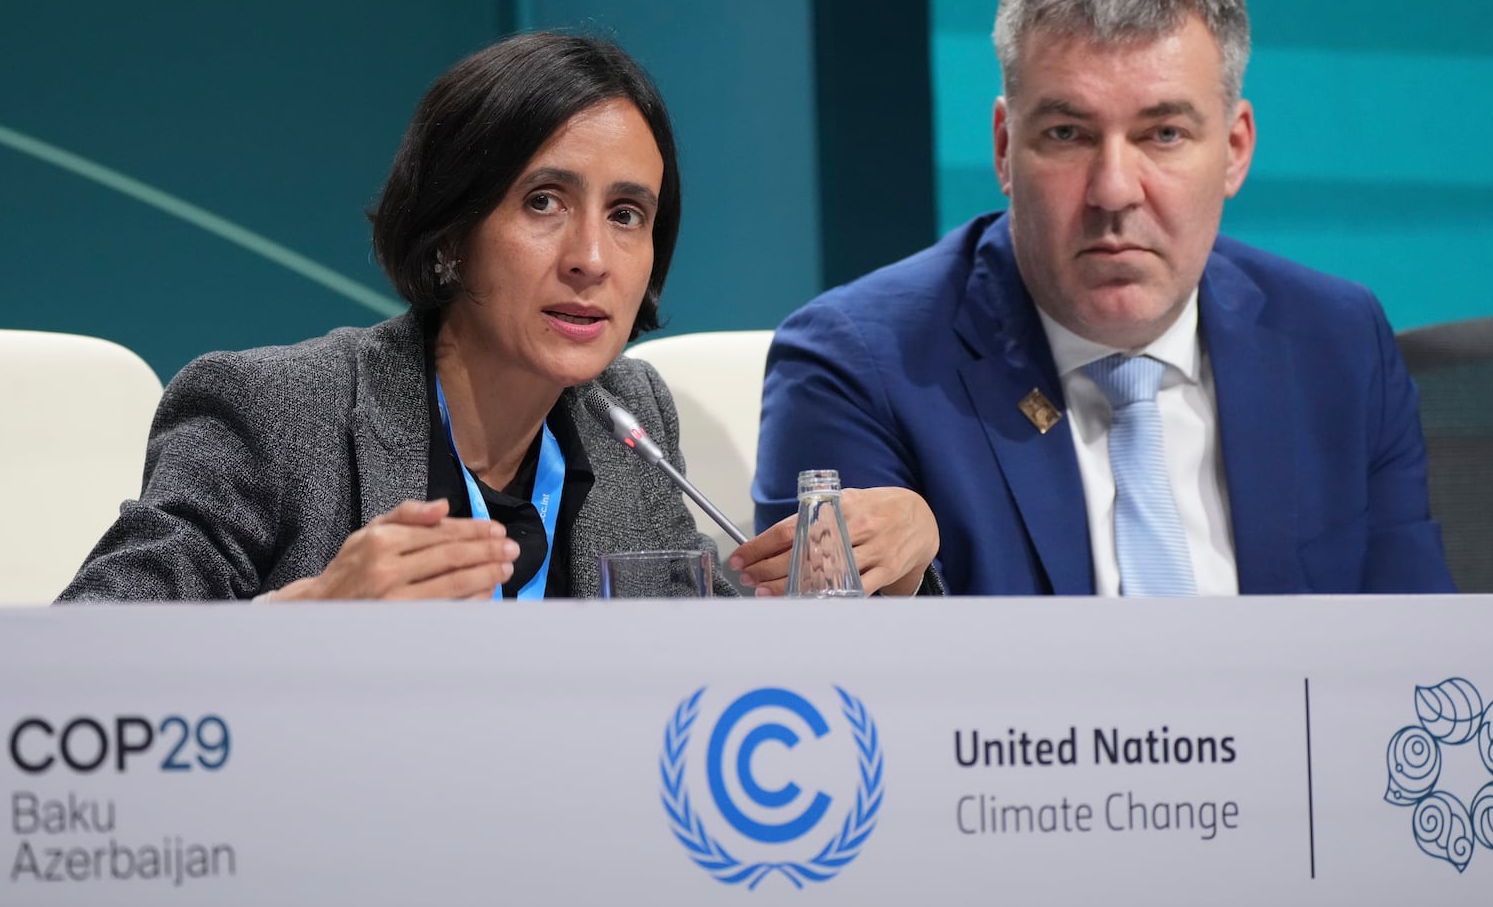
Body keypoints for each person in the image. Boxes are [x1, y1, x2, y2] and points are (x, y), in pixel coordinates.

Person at [61, 32, 933, 603]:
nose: (592, 256)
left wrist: (898, 556)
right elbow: (75, 669)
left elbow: (749, 647)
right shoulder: (272, 414)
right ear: (451, 237)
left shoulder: (626, 425)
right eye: (545, 201)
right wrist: (309, 622)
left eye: (628, 214)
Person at [753, 0, 1456, 597]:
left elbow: (1415, 657)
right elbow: (844, 685)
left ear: (1236, 149)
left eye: (1164, 133)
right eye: (1067, 134)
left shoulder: (1336, 341)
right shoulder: (860, 365)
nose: (1115, 188)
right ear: (1003, 148)